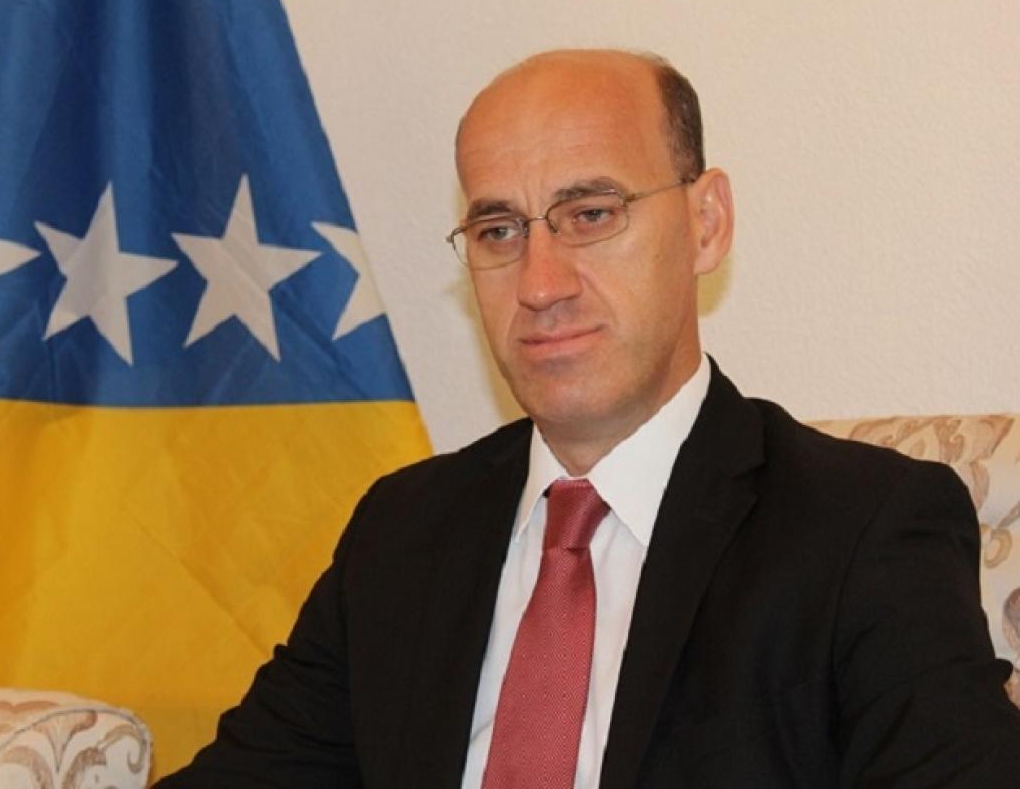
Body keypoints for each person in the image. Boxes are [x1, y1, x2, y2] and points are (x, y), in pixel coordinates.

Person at [157, 49, 1020, 787]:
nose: (540, 284)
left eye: (591, 215)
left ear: (706, 223)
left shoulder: (862, 527)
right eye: (499, 230)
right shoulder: (404, 530)